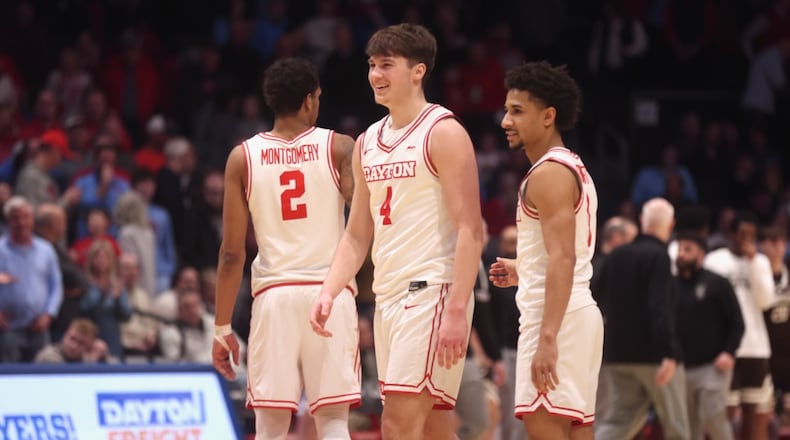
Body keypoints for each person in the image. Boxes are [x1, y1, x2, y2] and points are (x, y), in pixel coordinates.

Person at [310, 23, 483, 439]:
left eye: (386, 65)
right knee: (433, 425)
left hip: (432, 291)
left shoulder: (443, 132)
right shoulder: (367, 142)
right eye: (371, 65)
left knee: (398, 423)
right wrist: (329, 289)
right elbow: (356, 235)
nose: (375, 75)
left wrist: (457, 309)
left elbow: (472, 230)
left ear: (418, 70)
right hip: (388, 297)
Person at [212, 57, 359, 440]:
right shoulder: (340, 147)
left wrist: (222, 327)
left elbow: (231, 255)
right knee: (333, 422)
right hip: (330, 294)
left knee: (271, 427)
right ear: (310, 100)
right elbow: (364, 224)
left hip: (274, 297)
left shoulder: (242, 157)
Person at [488, 61, 602, 440]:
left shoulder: (549, 173)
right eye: (507, 110)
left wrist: (548, 337)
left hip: (557, 320)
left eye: (517, 111)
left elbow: (564, 258)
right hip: (574, 313)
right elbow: (566, 253)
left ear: (548, 116)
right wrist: (526, 268)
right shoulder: (571, 167)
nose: (506, 121)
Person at [593, 198, 690, 440]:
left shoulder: (615, 256)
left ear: (642, 222)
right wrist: (669, 351)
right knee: (677, 425)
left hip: (616, 354)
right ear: (671, 225)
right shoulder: (659, 256)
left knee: (619, 421)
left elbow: (593, 298)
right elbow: (659, 306)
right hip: (653, 356)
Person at [704, 211, 775, 440]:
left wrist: (753, 262)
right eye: (743, 234)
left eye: (752, 235)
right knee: (724, 415)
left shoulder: (761, 261)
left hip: (757, 348)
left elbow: (766, 301)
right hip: (726, 348)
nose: (747, 240)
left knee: (754, 415)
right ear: (731, 234)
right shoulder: (715, 260)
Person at [675, 231, 744, 440]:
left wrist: (729, 352)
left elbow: (737, 322)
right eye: (679, 249)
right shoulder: (670, 284)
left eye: (688, 250)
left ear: (701, 255)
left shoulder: (717, 283)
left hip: (712, 366)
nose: (681, 254)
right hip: (680, 368)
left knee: (713, 417)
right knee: (687, 425)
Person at [0, 196, 63, 362]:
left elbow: (56, 286)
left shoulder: (46, 250)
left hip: (38, 328)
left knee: (42, 377)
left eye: (25, 217)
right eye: (15, 218)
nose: (21, 223)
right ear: (8, 222)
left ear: (32, 220)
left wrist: (49, 314)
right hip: (7, 330)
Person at [759, 226, 790, 424]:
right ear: (762, 245)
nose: (777, 246)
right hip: (763, 349)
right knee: (765, 412)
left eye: (781, 241)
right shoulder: (755, 274)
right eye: (772, 241)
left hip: (786, 350)